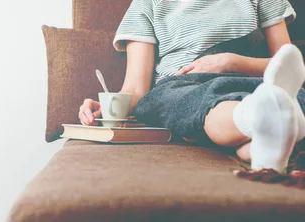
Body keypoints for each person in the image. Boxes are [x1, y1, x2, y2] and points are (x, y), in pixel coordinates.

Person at [78, 0, 305, 173]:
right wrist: (107, 107)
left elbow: (288, 63)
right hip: (182, 88)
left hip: (250, 83)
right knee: (177, 100)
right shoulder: (146, 4)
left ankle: (264, 142)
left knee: (292, 94)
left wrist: (230, 62)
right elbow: (136, 89)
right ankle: (270, 121)